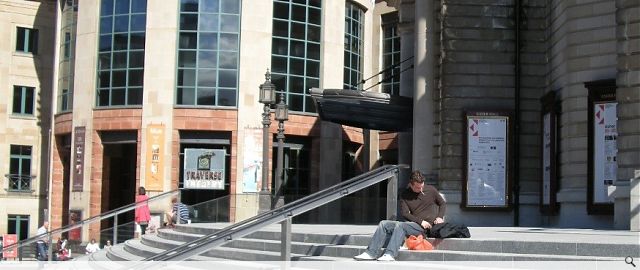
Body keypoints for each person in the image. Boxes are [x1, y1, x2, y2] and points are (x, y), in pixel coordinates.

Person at [354, 170, 446, 261]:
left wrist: (440, 217)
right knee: (383, 224)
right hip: (416, 224)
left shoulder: (431, 190)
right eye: (417, 188)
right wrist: (420, 221)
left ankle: (390, 254)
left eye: (422, 186)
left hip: (426, 227)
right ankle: (371, 253)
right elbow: (405, 214)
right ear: (411, 184)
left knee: (401, 225)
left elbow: (442, 203)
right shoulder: (405, 194)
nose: (420, 189)